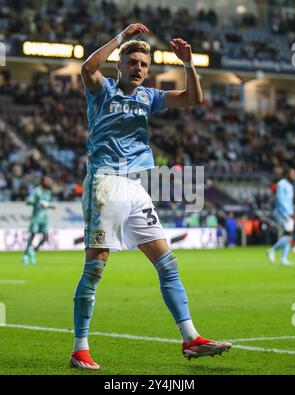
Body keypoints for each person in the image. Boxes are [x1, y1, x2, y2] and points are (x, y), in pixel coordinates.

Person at [70, 23, 232, 370]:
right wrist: (121, 38)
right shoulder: (102, 90)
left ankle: (190, 339)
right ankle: (79, 347)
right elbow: (86, 68)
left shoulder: (150, 97)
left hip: (136, 188)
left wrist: (188, 65)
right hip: (105, 183)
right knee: (96, 267)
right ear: (120, 64)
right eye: (133, 62)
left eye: (144, 64)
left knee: (167, 263)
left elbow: (194, 99)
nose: (139, 69)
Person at [267, 167, 295, 266]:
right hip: (283, 213)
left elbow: (289, 202)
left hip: (289, 213)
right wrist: (287, 213)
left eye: (294, 173)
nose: (294, 175)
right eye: (292, 173)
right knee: (289, 235)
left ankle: (283, 259)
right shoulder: (282, 183)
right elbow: (280, 200)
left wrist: (292, 212)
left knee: (289, 236)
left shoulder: (290, 186)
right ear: (287, 174)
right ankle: (273, 250)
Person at [22, 176, 55, 265]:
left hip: (44, 218)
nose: (49, 182)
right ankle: (25, 255)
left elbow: (46, 203)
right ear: (42, 182)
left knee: (45, 238)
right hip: (36, 217)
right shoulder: (36, 190)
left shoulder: (48, 192)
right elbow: (28, 201)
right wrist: (37, 202)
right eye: (47, 181)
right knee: (32, 235)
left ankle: (33, 252)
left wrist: (50, 206)